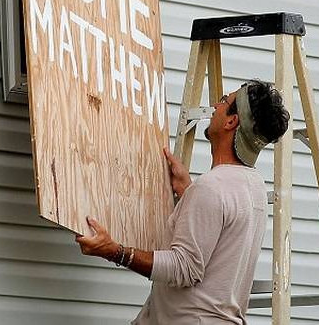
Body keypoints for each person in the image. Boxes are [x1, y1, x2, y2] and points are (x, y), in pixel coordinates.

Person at [75, 79, 291, 324]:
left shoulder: (212, 188)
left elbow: (184, 268)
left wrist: (115, 252)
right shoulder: (253, 188)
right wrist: (188, 192)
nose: (215, 106)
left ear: (232, 121)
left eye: (223, 102)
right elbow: (219, 237)